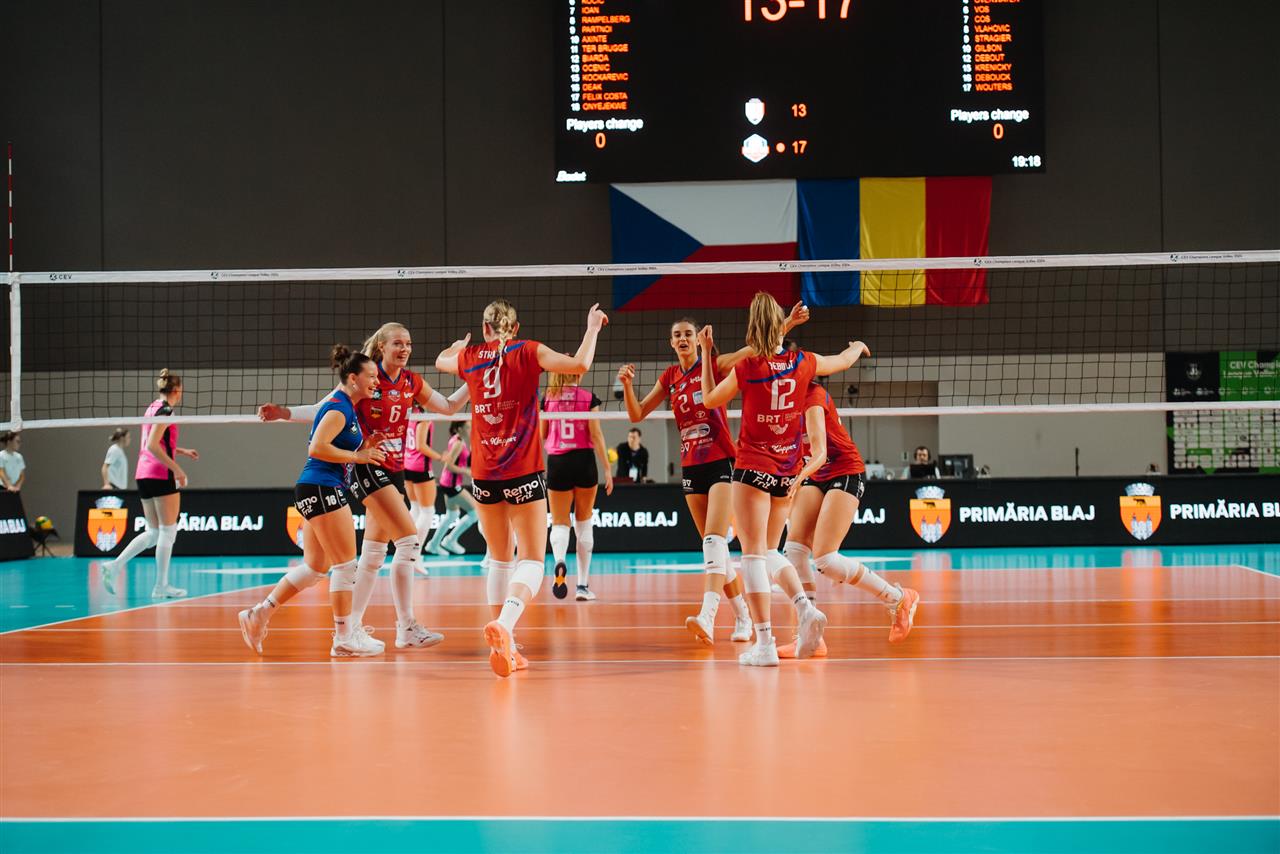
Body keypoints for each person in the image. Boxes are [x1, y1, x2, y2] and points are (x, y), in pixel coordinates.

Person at [257, 322, 468, 650]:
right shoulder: (366, 378)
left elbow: (450, 407)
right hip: (367, 465)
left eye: (408, 343)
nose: (405, 349)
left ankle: (352, 628)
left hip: (394, 470)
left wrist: (475, 379)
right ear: (382, 346)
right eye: (397, 343)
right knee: (409, 542)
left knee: (373, 554)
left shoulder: (411, 381)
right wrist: (283, 412)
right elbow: (322, 410)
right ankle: (406, 626)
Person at [617, 305, 810, 645]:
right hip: (691, 465)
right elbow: (637, 414)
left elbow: (757, 347)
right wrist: (627, 385)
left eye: (687, 334)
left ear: (697, 339)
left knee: (713, 541)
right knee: (715, 552)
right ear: (671, 342)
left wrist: (788, 323)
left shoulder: (715, 365)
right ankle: (743, 616)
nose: (682, 339)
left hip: (722, 460)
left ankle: (707, 615)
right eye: (677, 335)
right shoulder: (670, 377)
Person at [436, 299, 608, 677]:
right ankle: (505, 625)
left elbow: (440, 361)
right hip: (522, 472)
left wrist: (456, 346)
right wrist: (592, 327)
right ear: (515, 328)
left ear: (485, 328)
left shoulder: (469, 356)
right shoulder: (529, 351)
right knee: (530, 561)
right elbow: (580, 364)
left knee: (499, 559)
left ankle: (506, 646)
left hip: (484, 474)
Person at [698, 293, 869, 666]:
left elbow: (709, 399)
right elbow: (841, 361)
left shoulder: (747, 367)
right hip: (786, 471)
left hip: (752, 467)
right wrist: (856, 347)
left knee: (753, 556)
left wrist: (706, 353)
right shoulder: (804, 362)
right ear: (780, 327)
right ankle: (806, 609)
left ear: (751, 328)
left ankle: (764, 644)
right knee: (771, 551)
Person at [238, 346, 388, 656]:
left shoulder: (344, 406)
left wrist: (365, 445)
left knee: (316, 567)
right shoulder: (339, 407)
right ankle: (344, 638)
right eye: (371, 376)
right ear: (353, 378)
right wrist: (359, 456)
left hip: (313, 488)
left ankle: (259, 614)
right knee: (346, 565)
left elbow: (332, 446)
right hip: (322, 487)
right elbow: (317, 448)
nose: (377, 381)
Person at [779, 379, 919, 658]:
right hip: (814, 474)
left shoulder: (813, 395)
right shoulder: (780, 398)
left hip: (844, 471)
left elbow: (819, 453)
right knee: (794, 551)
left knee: (825, 560)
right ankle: (810, 636)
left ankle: (898, 598)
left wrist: (795, 480)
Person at [100, 370, 199, 598]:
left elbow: (153, 443)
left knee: (154, 532)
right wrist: (177, 469)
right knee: (168, 531)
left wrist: (180, 451)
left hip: (143, 473)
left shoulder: (152, 407)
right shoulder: (166, 411)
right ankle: (161, 586)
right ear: (177, 390)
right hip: (159, 473)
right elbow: (153, 445)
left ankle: (114, 565)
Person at [542, 373, 613, 601]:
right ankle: (582, 586)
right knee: (584, 521)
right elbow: (596, 434)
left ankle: (560, 560)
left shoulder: (548, 398)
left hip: (558, 462)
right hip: (584, 461)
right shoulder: (588, 398)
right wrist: (607, 469)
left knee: (559, 522)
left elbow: (542, 434)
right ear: (579, 373)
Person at [426, 421, 480, 556]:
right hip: (451, 484)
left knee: (452, 515)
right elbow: (449, 466)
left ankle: (433, 544)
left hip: (447, 482)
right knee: (475, 513)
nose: (470, 430)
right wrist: (466, 471)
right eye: (468, 427)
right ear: (459, 428)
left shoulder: (456, 439)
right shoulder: (458, 443)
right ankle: (450, 540)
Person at [402, 406, 443, 570]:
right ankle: (415, 555)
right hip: (420, 467)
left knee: (415, 508)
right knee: (427, 511)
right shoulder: (423, 418)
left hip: (407, 464)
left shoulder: (410, 414)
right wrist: (441, 457)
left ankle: (405, 550)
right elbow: (421, 446)